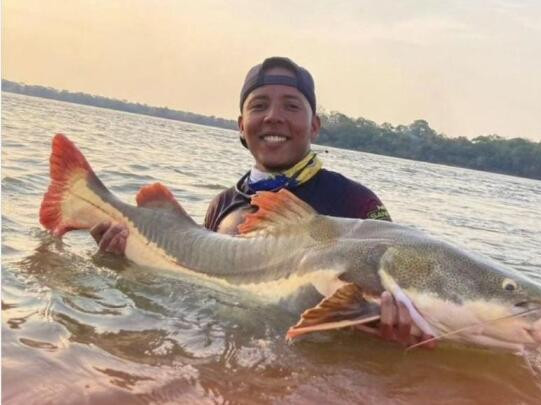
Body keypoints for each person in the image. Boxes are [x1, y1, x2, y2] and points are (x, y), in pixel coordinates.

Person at [91, 56, 435, 348]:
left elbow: (400, 300)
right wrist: (123, 261)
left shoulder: (357, 202)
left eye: (291, 105)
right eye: (259, 105)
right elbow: (194, 292)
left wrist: (401, 339)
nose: (273, 116)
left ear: (314, 126)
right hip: (228, 357)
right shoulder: (222, 204)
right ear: (241, 126)